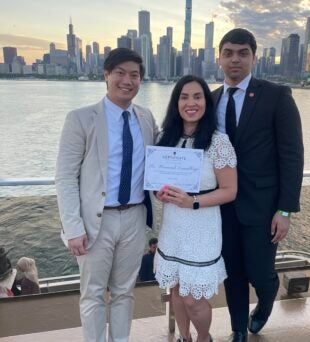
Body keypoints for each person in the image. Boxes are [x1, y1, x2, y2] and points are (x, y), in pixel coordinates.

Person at [55, 48, 158, 342]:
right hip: (94, 222)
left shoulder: (146, 117)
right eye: (120, 73)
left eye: (135, 75)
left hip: (135, 217)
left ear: (141, 80)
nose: (128, 81)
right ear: (106, 75)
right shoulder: (81, 118)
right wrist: (73, 227)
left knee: (125, 292)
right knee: (93, 294)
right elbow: (65, 177)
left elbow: (163, 156)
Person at [212, 28, 304, 342]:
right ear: (220, 57)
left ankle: (266, 300)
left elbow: (292, 154)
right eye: (229, 52)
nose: (235, 59)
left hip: (263, 206)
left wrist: (286, 209)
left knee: (261, 273)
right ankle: (238, 327)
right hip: (222, 206)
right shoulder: (210, 100)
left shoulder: (277, 95)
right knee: (232, 273)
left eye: (242, 53)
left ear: (254, 57)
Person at [154, 75, 238, 342]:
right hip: (173, 226)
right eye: (184, 97)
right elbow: (158, 184)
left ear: (206, 102)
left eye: (197, 96)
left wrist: (194, 201)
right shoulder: (165, 138)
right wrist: (160, 192)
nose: (191, 103)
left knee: (193, 298)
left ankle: (204, 338)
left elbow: (230, 190)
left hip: (202, 228)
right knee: (177, 290)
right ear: (176, 102)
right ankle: (184, 337)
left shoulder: (218, 142)